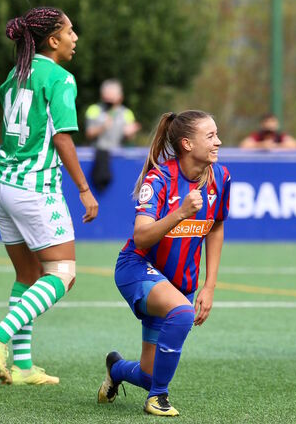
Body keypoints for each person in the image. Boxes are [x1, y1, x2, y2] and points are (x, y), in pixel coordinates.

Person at [0, 7, 98, 385]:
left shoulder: (16, 74)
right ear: (53, 40)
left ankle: (24, 367)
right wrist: (83, 188)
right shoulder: (60, 78)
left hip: (0, 184)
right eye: (70, 31)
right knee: (63, 273)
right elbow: (62, 137)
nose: (75, 37)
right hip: (33, 188)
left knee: (27, 274)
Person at [97, 110, 230, 416]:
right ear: (186, 143)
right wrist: (180, 213)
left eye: (217, 134)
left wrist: (209, 286)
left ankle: (116, 370)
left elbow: (217, 227)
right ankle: (158, 398)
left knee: (147, 373)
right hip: (136, 269)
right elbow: (142, 238)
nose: (218, 142)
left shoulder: (221, 177)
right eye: (210, 136)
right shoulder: (159, 179)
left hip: (178, 282)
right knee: (182, 314)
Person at [85, 79, 141, 192]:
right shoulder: (94, 110)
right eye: (107, 96)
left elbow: (130, 137)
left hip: (118, 156)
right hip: (97, 155)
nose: (109, 100)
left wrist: (130, 133)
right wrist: (103, 127)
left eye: (112, 96)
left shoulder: (126, 113)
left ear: (120, 97)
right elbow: (89, 133)